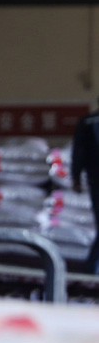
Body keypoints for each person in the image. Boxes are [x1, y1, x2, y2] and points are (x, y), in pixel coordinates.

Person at [71, 97, 99, 274]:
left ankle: (91, 267)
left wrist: (76, 177)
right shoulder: (88, 122)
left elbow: (79, 151)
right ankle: (91, 268)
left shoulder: (86, 122)